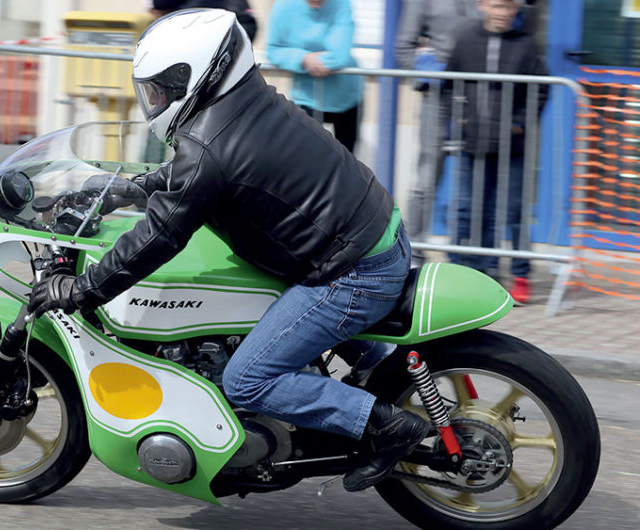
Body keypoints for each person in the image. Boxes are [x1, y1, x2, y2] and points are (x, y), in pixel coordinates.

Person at [28, 9, 430, 492]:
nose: (154, 100)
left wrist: (81, 289)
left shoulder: (210, 145)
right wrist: (127, 189)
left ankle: (386, 424)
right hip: (368, 234)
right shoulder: (244, 99)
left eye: (161, 88)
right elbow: (195, 178)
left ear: (197, 76)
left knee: (249, 381)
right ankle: (373, 372)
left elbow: (159, 234)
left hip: (353, 271)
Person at [446, 0, 547, 304]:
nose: (502, 12)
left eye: (509, 7)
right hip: (474, 142)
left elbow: (541, 89)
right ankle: (467, 273)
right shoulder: (465, 40)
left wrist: (519, 123)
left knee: (513, 211)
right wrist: (461, 116)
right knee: (469, 208)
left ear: (517, 10)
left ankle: (520, 274)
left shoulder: (526, 46)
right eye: (496, 5)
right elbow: (450, 83)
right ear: (482, 6)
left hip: (512, 146)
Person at [395, 0, 481, 267]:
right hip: (439, 98)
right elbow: (403, 48)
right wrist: (430, 74)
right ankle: (413, 255)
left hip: (480, 94)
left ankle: (468, 257)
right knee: (427, 177)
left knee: (475, 178)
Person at [267, 0, 362, 152]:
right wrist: (303, 59)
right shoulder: (283, 6)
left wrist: (313, 60)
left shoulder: (342, 3)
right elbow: (273, 49)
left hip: (345, 98)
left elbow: (340, 55)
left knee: (347, 165)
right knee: (305, 161)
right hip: (306, 99)